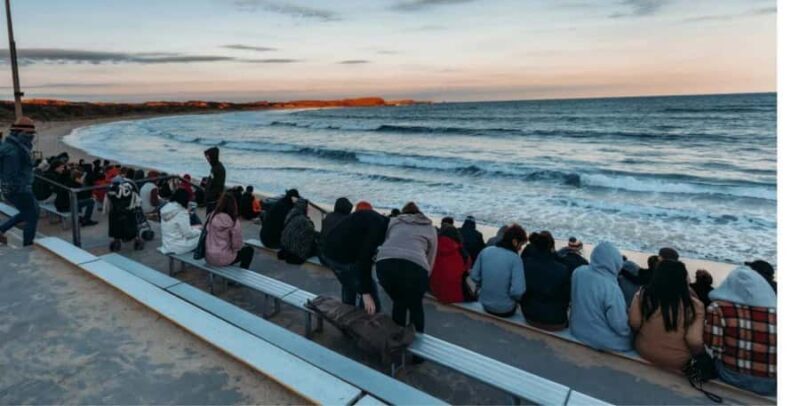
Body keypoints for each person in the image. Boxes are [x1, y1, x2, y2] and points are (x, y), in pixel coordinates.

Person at [704, 267, 777, 396]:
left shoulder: (718, 308)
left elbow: (713, 344)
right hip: (771, 383)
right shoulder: (775, 312)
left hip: (731, 375)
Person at [628, 260, 705, 371]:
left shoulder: (642, 295)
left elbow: (634, 323)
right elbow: (694, 341)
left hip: (643, 351)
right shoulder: (695, 306)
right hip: (678, 361)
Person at [376, 202, 438, 334]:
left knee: (399, 302)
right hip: (415, 266)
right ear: (419, 213)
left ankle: (397, 341)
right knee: (415, 306)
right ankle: (418, 344)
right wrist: (425, 278)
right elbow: (431, 257)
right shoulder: (430, 228)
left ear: (403, 213)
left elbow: (388, 240)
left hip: (384, 264)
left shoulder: (394, 222)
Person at [320, 200, 388, 314]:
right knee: (371, 293)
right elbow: (364, 260)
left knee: (349, 285)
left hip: (327, 252)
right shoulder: (377, 228)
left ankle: (347, 316)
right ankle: (366, 322)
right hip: (340, 258)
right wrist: (365, 292)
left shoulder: (372, 218)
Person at [569, 241, 631, 351]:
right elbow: (620, 326)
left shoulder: (578, 272)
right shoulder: (611, 288)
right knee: (631, 340)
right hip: (600, 340)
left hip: (576, 329)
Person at [470, 224, 527, 317]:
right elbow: (518, 291)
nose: (520, 248)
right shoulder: (516, 259)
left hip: (484, 303)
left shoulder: (486, 251)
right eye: (521, 245)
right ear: (515, 242)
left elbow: (474, 276)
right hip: (505, 309)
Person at [0, 117, 40, 246]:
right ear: (21, 133)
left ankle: (2, 229)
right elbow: (11, 174)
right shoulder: (13, 150)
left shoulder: (12, 146)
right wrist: (21, 188)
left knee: (31, 211)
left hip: (16, 188)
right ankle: (28, 246)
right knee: (32, 217)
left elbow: (20, 167)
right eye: (29, 134)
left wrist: (35, 166)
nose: (32, 137)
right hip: (19, 189)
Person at [520, 231, 571, 331]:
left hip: (529, 315)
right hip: (555, 322)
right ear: (551, 248)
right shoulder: (562, 269)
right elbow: (567, 298)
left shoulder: (526, 264)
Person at [205, 191, 254, 269]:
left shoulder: (211, 216)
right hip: (224, 257)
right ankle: (241, 275)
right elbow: (237, 246)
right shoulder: (233, 221)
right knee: (249, 251)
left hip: (209, 255)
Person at [430, 223, 475, 304]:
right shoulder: (463, 253)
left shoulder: (433, 246)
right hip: (454, 295)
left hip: (434, 290)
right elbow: (467, 269)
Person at [104, 177, 145, 251]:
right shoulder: (129, 190)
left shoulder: (110, 192)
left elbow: (109, 203)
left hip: (115, 213)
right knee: (131, 226)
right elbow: (136, 200)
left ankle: (117, 240)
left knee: (117, 228)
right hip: (128, 212)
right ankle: (136, 239)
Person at [159, 189, 202, 255]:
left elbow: (176, 227)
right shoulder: (182, 213)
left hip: (167, 245)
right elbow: (188, 234)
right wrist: (199, 231)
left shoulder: (166, 208)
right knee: (203, 236)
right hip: (178, 247)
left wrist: (194, 228)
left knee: (197, 229)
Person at [279, 199, 317, 264]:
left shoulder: (290, 214)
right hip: (298, 254)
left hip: (286, 247)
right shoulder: (305, 221)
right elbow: (311, 234)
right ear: (305, 209)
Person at [203, 147, 226, 213]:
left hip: (213, 200)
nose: (208, 160)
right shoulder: (215, 167)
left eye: (208, 158)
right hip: (211, 198)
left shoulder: (218, 169)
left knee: (211, 217)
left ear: (213, 157)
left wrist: (210, 196)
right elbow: (212, 181)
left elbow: (219, 186)